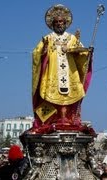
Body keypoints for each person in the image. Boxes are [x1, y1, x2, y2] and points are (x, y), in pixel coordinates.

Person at [31, 4, 94, 133]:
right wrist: (43, 51)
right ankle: (51, 121)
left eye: (61, 22)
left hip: (70, 74)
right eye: (57, 22)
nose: (59, 24)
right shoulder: (47, 38)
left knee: (70, 99)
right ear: (53, 24)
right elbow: (36, 54)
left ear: (65, 23)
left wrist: (87, 53)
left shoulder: (72, 38)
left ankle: (70, 120)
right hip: (52, 75)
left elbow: (81, 53)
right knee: (50, 98)